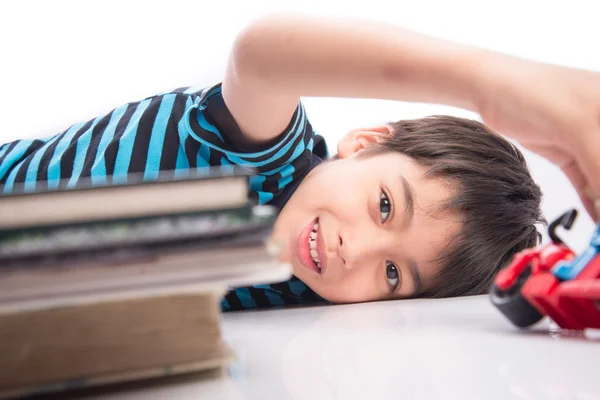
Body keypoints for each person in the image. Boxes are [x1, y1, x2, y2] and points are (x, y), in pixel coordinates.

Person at [1, 14, 598, 311]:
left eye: (392, 276)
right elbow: (261, 56)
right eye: (384, 205)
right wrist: (490, 86)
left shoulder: (304, 289)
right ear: (363, 143)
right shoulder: (266, 157)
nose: (355, 251)